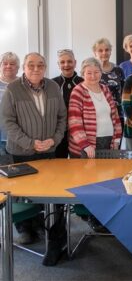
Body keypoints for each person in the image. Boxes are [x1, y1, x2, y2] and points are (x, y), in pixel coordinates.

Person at [0, 52, 67, 265]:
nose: (36, 69)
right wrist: (30, 143)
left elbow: (62, 117)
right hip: (22, 153)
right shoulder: (13, 89)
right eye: (31, 65)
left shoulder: (54, 87)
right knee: (26, 194)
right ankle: (29, 230)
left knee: (55, 196)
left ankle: (56, 242)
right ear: (24, 68)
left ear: (45, 67)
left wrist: (54, 139)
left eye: (40, 65)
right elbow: (8, 122)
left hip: (49, 152)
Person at [68, 57, 122, 158]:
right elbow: (74, 122)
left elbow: (115, 116)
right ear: (83, 74)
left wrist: (116, 140)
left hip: (108, 141)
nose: (93, 76)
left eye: (96, 72)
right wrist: (85, 144)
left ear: (101, 73)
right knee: (88, 173)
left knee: (107, 173)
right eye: (89, 73)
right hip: (86, 146)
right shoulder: (78, 91)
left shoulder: (105, 89)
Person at [52, 49, 83, 158]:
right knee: (60, 163)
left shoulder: (84, 82)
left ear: (75, 62)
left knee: (80, 164)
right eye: (62, 62)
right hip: (60, 130)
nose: (66, 65)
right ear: (58, 64)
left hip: (80, 130)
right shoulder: (52, 84)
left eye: (69, 61)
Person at [92, 37, 125, 124]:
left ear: (110, 51)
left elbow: (123, 93)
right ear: (95, 53)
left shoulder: (118, 70)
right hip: (97, 116)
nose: (104, 53)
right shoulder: (90, 71)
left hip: (117, 115)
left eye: (107, 50)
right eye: (100, 50)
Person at [0, 52, 20, 155]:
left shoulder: (24, 84)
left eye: (12, 64)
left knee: (20, 169)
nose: (8, 66)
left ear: (17, 67)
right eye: (5, 63)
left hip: (19, 139)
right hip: (1, 139)